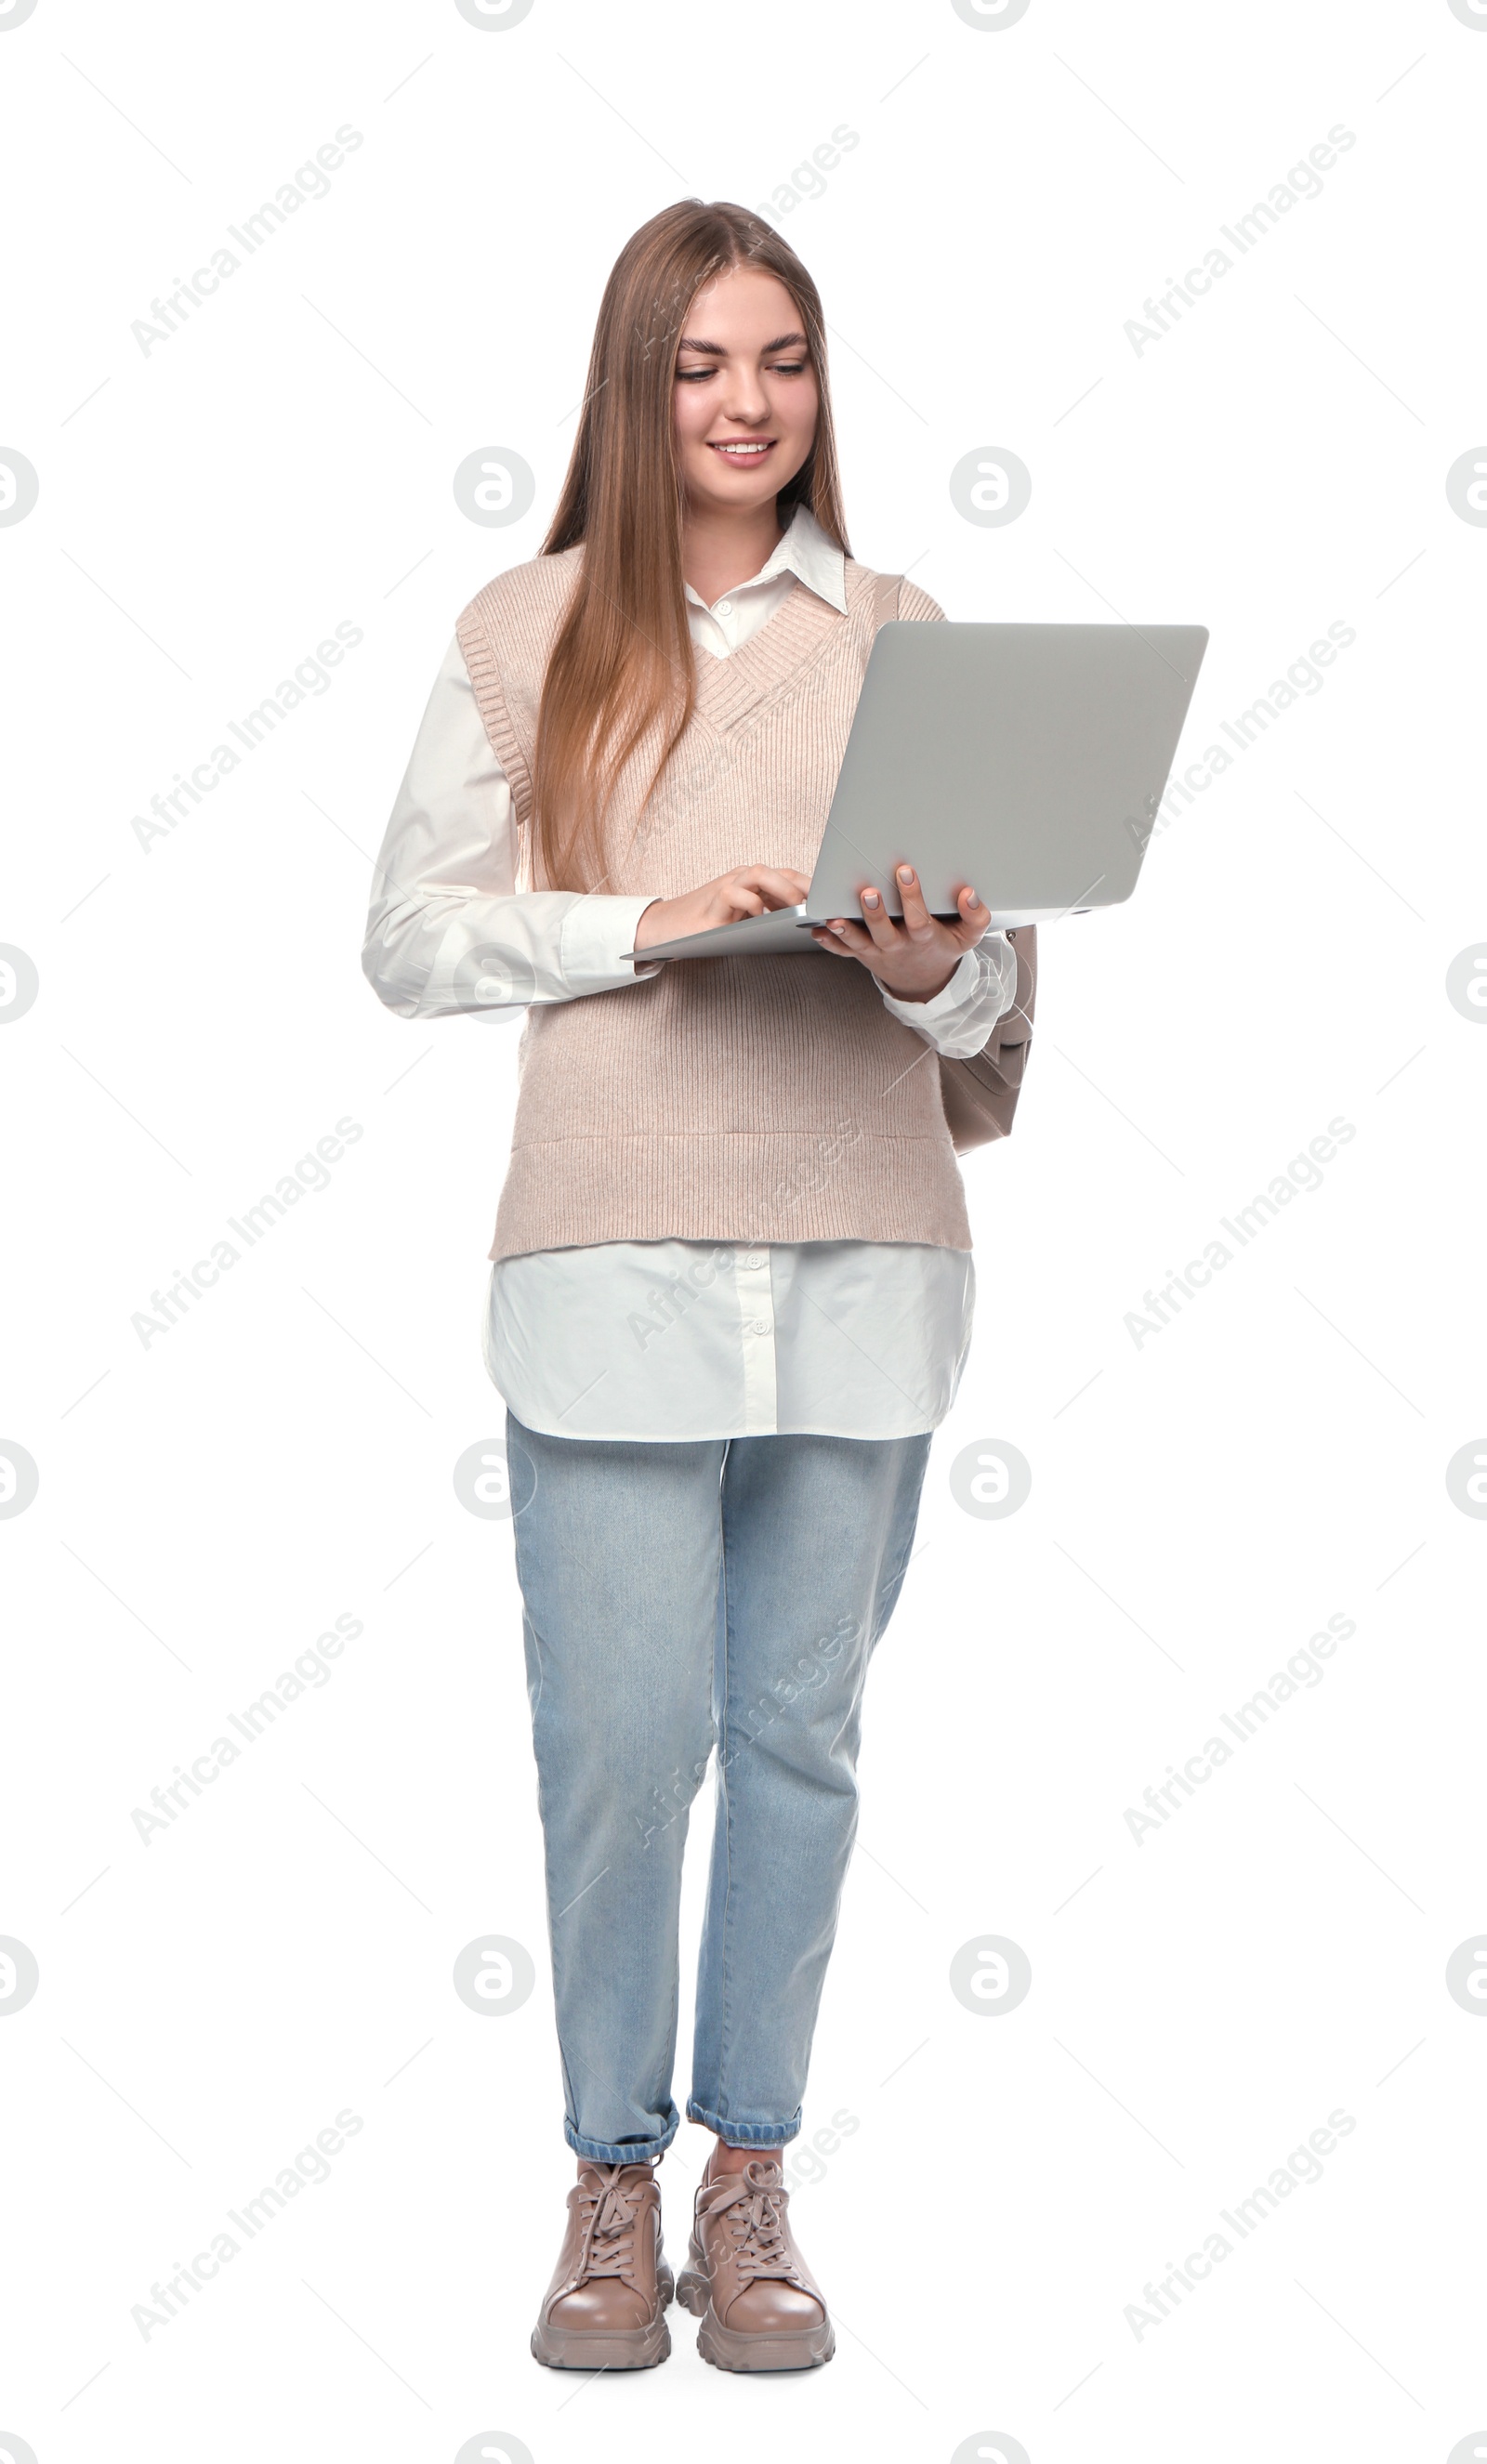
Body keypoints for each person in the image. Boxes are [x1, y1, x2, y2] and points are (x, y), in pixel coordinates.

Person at [362, 199, 1018, 2375]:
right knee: (625, 1748)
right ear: (634, 390)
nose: (747, 405)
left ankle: (750, 2178)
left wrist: (932, 969)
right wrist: (631, 923)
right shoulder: (527, 625)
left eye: (785, 362)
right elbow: (413, 936)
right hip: (613, 1250)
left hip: (857, 1243)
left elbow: (993, 976)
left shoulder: (906, 628)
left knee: (798, 1740)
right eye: (700, 366)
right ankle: (605, 2178)